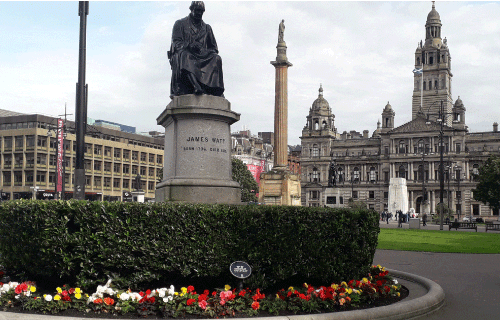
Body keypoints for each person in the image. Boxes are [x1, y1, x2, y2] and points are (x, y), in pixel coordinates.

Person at [168, 1, 224, 98]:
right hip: (187, 52)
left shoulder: (207, 28)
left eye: (201, 11)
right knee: (185, 55)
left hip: (203, 55)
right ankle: (196, 85)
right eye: (197, 10)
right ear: (191, 9)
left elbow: (213, 48)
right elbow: (176, 42)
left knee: (216, 58)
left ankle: (215, 89)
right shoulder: (180, 24)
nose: (199, 13)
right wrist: (189, 45)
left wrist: (206, 51)